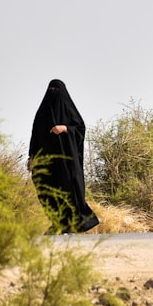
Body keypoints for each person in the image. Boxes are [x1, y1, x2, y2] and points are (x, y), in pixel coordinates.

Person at [28, 79, 99, 234]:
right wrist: (31, 157)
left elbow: (80, 128)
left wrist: (65, 128)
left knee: (69, 191)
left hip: (66, 162)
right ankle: (58, 223)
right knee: (47, 192)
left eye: (56, 89)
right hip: (47, 162)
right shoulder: (42, 114)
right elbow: (35, 136)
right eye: (51, 89)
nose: (53, 92)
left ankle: (74, 224)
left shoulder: (68, 108)